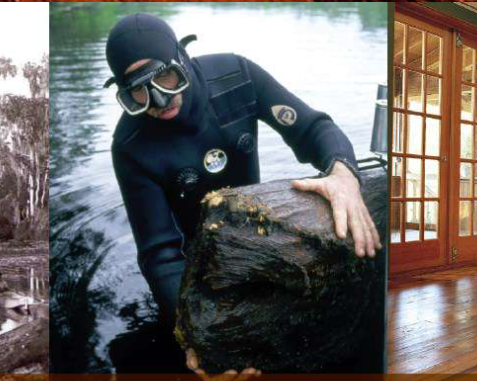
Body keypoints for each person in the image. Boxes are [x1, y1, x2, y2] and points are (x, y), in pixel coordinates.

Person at [102, 14, 377, 375]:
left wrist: (343, 173)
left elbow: (312, 128)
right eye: (138, 91)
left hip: (259, 243)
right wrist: (192, 334)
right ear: (124, 93)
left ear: (181, 58)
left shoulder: (236, 77)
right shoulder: (130, 146)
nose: (158, 100)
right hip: (194, 271)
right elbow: (160, 254)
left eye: (165, 78)